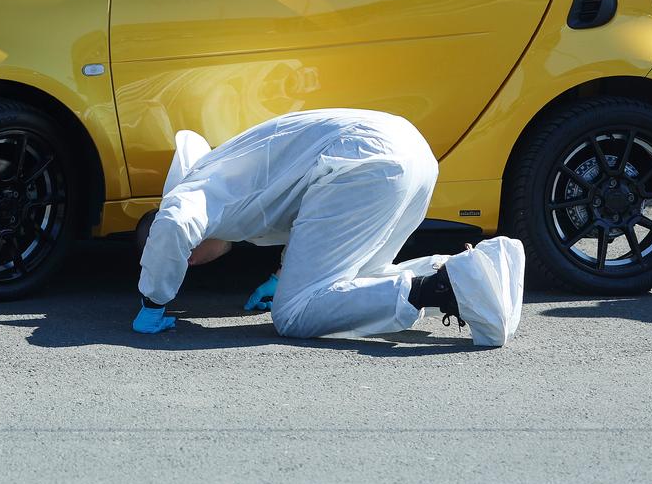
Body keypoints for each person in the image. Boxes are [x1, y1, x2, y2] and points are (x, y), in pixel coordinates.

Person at [133, 108, 465, 339]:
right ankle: (460, 272)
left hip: (367, 164)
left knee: (293, 314)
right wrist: (282, 276)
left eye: (184, 260)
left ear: (187, 255)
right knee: (355, 281)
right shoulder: (228, 165)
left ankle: (435, 290)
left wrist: (154, 302)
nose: (191, 264)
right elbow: (310, 208)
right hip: (411, 150)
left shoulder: (198, 192)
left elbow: (172, 224)